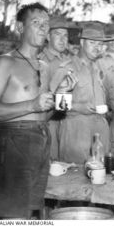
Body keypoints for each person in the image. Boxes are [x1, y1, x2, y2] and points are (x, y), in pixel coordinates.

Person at [0, 3, 75, 219]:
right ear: (20, 27)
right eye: (36, 23)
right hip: (14, 142)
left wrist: (61, 95)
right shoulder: (6, 62)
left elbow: (45, 115)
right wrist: (31, 105)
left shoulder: (43, 65)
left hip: (41, 139)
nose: (43, 28)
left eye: (46, 24)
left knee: (32, 215)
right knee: (14, 217)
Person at [59, 23, 111, 164]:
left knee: (101, 176)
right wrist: (78, 107)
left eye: (100, 44)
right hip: (77, 131)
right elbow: (56, 103)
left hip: (100, 132)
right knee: (75, 178)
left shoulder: (99, 67)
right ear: (82, 42)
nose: (97, 47)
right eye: (92, 42)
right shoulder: (67, 67)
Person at [38, 16, 75, 160]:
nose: (62, 39)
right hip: (48, 123)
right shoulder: (40, 61)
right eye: (57, 34)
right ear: (47, 36)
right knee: (50, 165)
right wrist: (56, 81)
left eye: (65, 35)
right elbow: (38, 100)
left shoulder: (68, 60)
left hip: (66, 122)